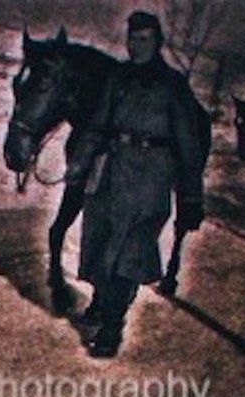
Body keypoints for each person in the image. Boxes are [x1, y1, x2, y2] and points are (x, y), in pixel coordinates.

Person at [67, 11, 205, 357]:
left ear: (157, 43)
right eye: (131, 38)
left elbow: (188, 144)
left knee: (129, 254)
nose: (136, 45)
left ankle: (112, 328)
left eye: (143, 39)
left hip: (151, 178)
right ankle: (103, 303)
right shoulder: (118, 77)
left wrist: (191, 196)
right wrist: (79, 163)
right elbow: (98, 125)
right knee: (100, 244)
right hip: (112, 171)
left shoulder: (173, 85)